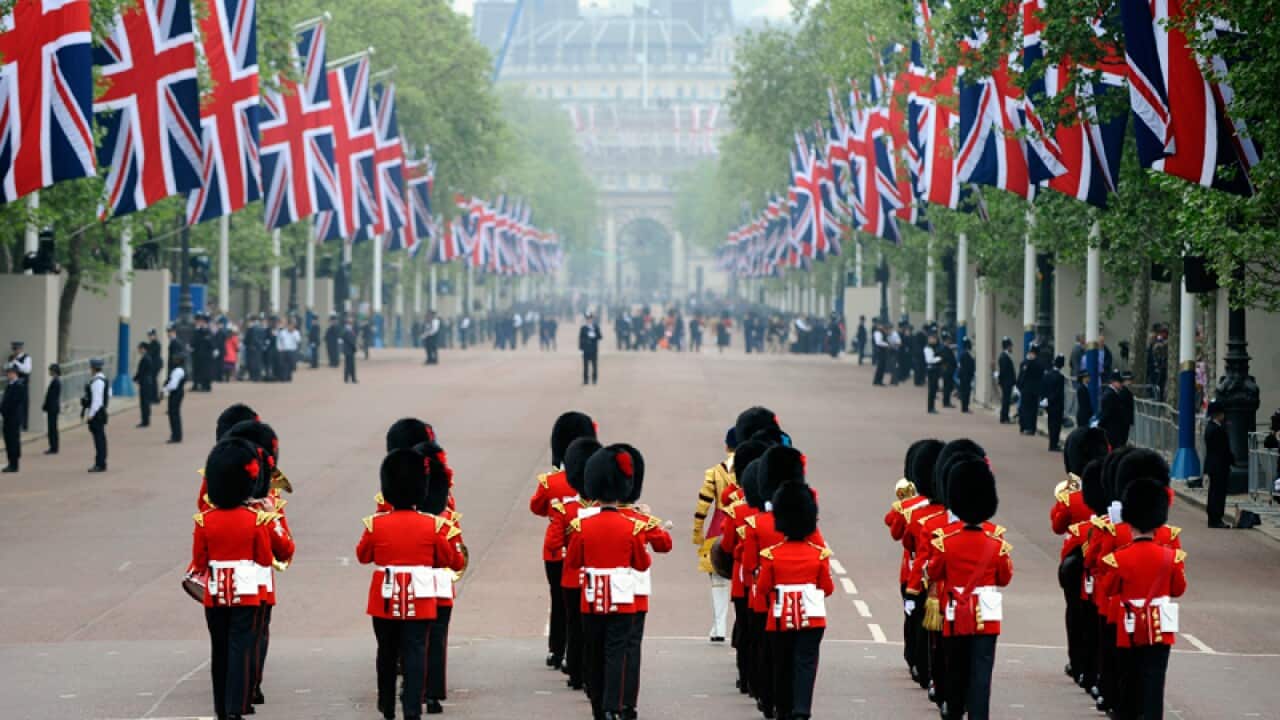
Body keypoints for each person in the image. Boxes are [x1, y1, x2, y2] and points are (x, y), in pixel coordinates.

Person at [357, 449, 462, 720]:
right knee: (416, 652)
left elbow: (363, 556)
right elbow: (451, 559)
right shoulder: (433, 525)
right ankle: (412, 708)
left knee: (387, 652)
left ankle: (386, 703)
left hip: (384, 597)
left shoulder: (376, 524)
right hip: (421, 595)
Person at [565, 445, 652, 720]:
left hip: (591, 598)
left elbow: (573, 562)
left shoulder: (582, 526)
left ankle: (596, 707)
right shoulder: (633, 527)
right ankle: (612, 707)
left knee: (594, 652)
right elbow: (642, 563)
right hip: (623, 599)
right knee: (616, 653)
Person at [189, 438, 274, 720]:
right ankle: (236, 708)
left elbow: (200, 561)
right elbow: (264, 558)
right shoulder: (255, 519)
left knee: (219, 649)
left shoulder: (204, 520)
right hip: (246, 592)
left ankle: (221, 709)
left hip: (215, 592)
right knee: (241, 648)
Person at [927, 457, 1013, 720]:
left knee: (956, 667)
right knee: (981, 671)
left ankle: (954, 710)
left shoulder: (946, 542)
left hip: (956, 613)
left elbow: (934, 573)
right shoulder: (996, 544)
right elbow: (1004, 577)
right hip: (985, 616)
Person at [1102, 476, 1187, 719]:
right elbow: (1178, 589)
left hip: (1129, 627)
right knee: (1154, 683)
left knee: (1128, 682)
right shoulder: (1171, 556)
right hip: (1159, 625)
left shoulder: (1120, 557)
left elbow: (1109, 589)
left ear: (1130, 522)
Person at [758, 481, 832, 720]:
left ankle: (784, 708)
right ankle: (802, 709)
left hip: (780, 617)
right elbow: (827, 588)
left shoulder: (771, 555)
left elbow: (763, 589)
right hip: (812, 617)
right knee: (806, 663)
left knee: (782, 663)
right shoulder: (818, 554)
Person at [530, 412, 597, 671]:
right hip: (588, 548)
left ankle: (557, 650)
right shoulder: (595, 481)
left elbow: (536, 508)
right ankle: (578, 653)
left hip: (557, 553)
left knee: (558, 601)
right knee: (583, 602)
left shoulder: (551, 482)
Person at [1203, 400, 1234, 528]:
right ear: (1218, 414)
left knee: (1214, 491)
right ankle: (1216, 518)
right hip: (1219, 465)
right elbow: (1223, 449)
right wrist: (1231, 460)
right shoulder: (1216, 430)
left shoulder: (1211, 427)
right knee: (1218, 493)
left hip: (1213, 465)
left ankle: (1213, 517)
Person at [83, 357, 109, 472]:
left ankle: (100, 463)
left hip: (97, 413)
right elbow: (109, 394)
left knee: (98, 439)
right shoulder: (103, 379)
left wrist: (91, 415)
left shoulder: (97, 381)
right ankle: (101, 462)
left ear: (93, 368)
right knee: (100, 438)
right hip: (101, 411)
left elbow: (96, 401)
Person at [1097, 372, 1132, 449]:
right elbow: (1106, 413)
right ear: (1113, 382)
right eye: (1120, 382)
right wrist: (1099, 425)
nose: (1122, 384)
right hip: (1111, 431)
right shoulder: (1110, 395)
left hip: (1115, 430)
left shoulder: (1113, 393)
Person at [1016, 343, 1044, 435]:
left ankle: (1023, 427)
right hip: (1035, 391)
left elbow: (1021, 377)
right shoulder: (1039, 364)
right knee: (1033, 410)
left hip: (1025, 390)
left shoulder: (1024, 363)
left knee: (1024, 409)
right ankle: (1031, 428)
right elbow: (1041, 377)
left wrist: (1019, 387)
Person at [2, 365, 25, 471]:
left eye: (10, 373)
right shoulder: (10, 385)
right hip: (8, 417)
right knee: (8, 440)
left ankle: (14, 464)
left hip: (13, 418)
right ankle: (10, 462)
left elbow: (15, 402)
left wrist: (5, 409)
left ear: (15, 373)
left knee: (13, 440)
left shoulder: (18, 385)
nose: (8, 375)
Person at [163, 351, 188, 444]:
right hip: (179, 393)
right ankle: (177, 435)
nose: (174, 360)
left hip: (175, 393)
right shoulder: (181, 369)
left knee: (173, 414)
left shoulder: (177, 371)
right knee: (175, 414)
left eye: (176, 359)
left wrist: (165, 389)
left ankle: (176, 436)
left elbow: (173, 385)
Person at [7, 340, 31, 430]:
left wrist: (16, 362)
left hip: (23, 385)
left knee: (23, 405)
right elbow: (9, 368)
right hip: (13, 384)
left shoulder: (26, 358)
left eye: (17, 349)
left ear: (21, 349)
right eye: (14, 349)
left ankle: (23, 425)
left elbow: (27, 370)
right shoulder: (11, 357)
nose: (15, 351)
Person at [1044, 355, 1067, 451]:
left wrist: (1046, 400)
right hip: (1057, 405)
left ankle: (1051, 443)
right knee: (1056, 425)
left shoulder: (1048, 374)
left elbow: (1044, 389)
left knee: (1050, 423)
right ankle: (1054, 444)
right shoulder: (1060, 377)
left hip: (1049, 403)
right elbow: (1059, 393)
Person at [133, 342, 157, 428]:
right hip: (146, 382)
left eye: (139, 348)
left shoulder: (146, 358)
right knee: (145, 402)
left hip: (145, 383)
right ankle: (145, 420)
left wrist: (135, 378)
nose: (139, 350)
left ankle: (145, 421)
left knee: (144, 403)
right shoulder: (147, 357)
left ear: (143, 349)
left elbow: (141, 372)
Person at [42, 363, 61, 454]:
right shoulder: (55, 381)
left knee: (52, 428)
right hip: (53, 407)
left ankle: (54, 447)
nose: (49, 372)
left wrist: (47, 405)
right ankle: (53, 446)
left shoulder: (56, 382)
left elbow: (51, 397)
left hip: (53, 408)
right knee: (52, 427)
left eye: (51, 370)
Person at [579, 311, 601, 386]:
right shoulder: (583, 328)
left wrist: (594, 335)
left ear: (592, 319)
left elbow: (600, 337)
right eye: (587, 319)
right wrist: (581, 349)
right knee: (585, 366)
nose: (589, 320)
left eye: (590, 319)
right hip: (586, 349)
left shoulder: (596, 327)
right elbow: (580, 339)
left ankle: (594, 379)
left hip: (594, 349)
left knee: (594, 365)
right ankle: (585, 380)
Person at [998, 337, 1016, 424]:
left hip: (1006, 382)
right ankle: (1004, 417)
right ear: (1007, 346)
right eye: (1010, 346)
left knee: (1006, 400)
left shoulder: (1004, 356)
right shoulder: (1004, 357)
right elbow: (1004, 371)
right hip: (1006, 382)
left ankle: (1004, 416)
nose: (1011, 348)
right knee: (1006, 400)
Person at [924, 333, 942, 414]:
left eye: (935, 338)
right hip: (931, 369)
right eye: (932, 338)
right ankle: (930, 408)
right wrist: (939, 359)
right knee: (931, 390)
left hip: (935, 369)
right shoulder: (928, 348)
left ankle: (932, 407)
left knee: (934, 389)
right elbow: (929, 360)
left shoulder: (935, 347)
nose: (934, 340)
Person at [957, 338, 976, 413]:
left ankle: (964, 407)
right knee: (966, 392)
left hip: (963, 376)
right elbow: (968, 367)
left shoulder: (963, 354)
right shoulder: (966, 355)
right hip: (966, 377)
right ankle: (965, 408)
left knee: (964, 392)